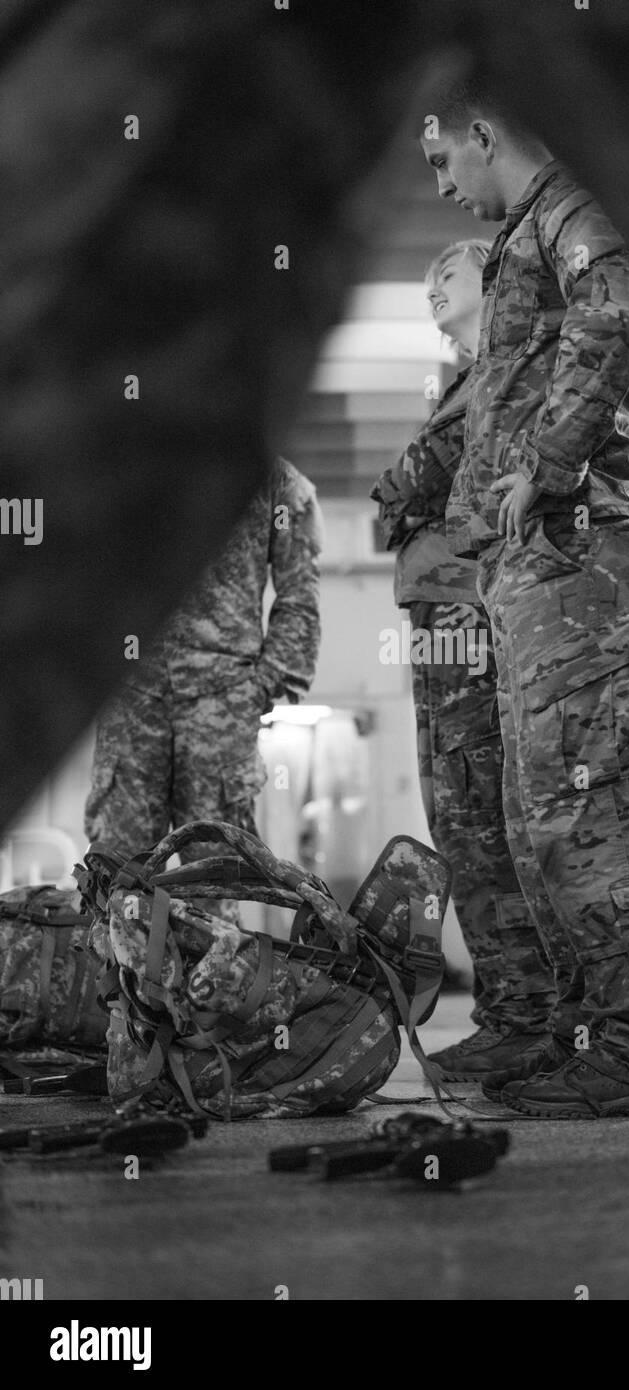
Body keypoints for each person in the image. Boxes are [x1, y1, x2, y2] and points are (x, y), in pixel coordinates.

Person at [418, 79, 629, 1117]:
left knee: (589, 807)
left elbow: (619, 303)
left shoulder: (571, 208)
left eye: (445, 161)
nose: (442, 186)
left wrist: (550, 464)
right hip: (538, 572)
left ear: (486, 134)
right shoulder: (524, 235)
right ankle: (583, 1034)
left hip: (581, 554)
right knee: (543, 818)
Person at [371, 240, 555, 1079]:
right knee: (460, 812)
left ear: (488, 279)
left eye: (444, 271)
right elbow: (400, 499)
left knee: (479, 810)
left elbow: (411, 486)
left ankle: (525, 1016)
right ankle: (514, 1009)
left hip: (470, 611)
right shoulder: (462, 383)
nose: (430, 286)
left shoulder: (504, 371)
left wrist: (408, 490)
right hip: (441, 615)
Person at [85, 459, 323, 919]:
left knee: (216, 883)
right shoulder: (113, 461)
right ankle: (117, 991)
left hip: (222, 699)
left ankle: (212, 989)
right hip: (130, 697)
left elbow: (300, 592)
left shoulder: (274, 480)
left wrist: (263, 683)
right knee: (117, 880)